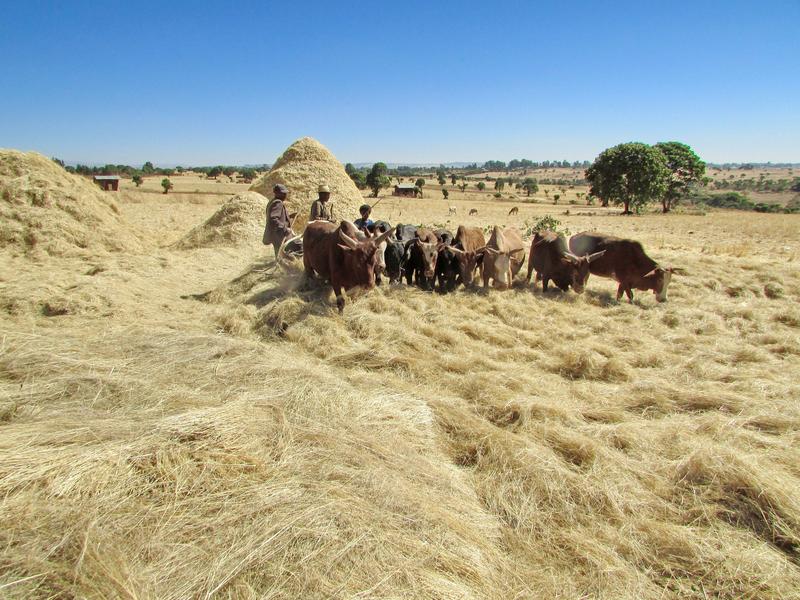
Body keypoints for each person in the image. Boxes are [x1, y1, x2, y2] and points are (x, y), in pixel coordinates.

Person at [262, 184, 291, 256]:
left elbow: (277, 217)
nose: (285, 195)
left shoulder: (272, 201)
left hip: (276, 234)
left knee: (279, 254)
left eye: (285, 193)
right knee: (297, 245)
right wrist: (285, 228)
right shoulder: (278, 203)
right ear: (277, 193)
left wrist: (289, 216)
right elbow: (273, 219)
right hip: (279, 234)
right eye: (283, 194)